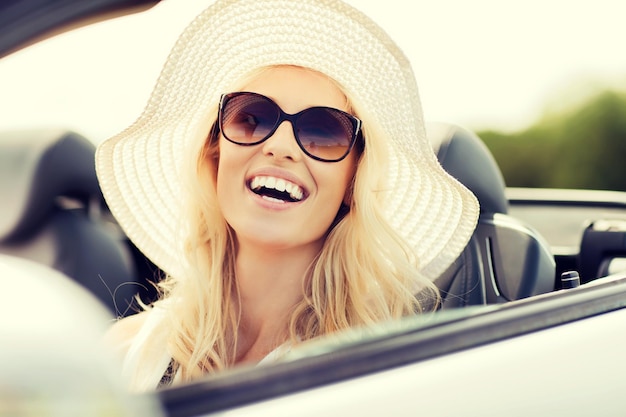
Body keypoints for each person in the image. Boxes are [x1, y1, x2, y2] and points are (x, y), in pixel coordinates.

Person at [97, 0, 479, 391]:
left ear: (352, 183)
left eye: (324, 131)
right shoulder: (124, 353)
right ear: (215, 155)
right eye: (252, 118)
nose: (281, 146)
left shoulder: (374, 377)